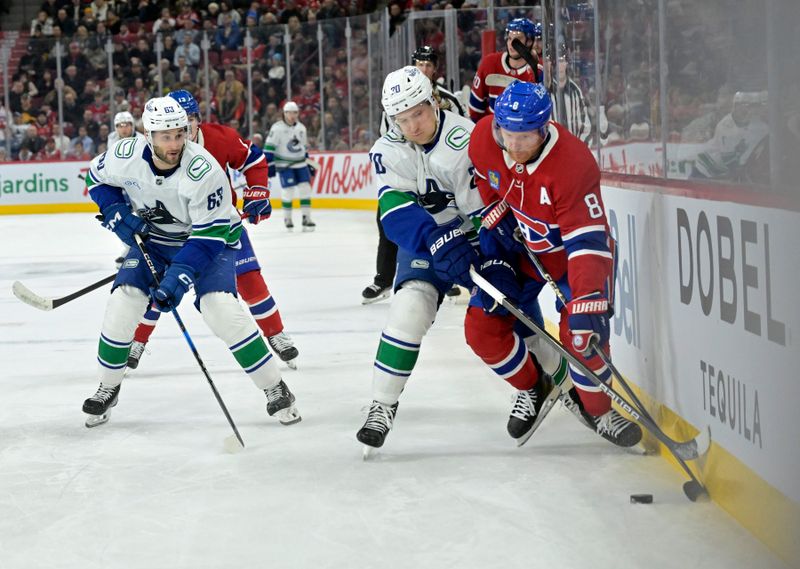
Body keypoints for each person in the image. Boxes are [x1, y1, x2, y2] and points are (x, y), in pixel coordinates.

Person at [82, 96, 301, 428]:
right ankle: (108, 387)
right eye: (166, 136)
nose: (175, 144)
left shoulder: (203, 170)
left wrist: (178, 277)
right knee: (123, 302)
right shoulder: (124, 155)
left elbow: (207, 239)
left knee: (220, 310)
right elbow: (95, 180)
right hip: (154, 242)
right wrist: (115, 211)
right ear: (148, 134)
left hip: (211, 241)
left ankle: (275, 386)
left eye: (180, 134)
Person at [465, 81, 642, 447]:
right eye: (507, 134)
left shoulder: (573, 164)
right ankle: (535, 386)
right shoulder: (485, 136)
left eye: (525, 137)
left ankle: (600, 411)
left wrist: (587, 296)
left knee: (581, 336)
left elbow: (586, 240)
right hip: (521, 252)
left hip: (570, 261)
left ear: (544, 129)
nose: (513, 147)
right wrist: (494, 206)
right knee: (481, 327)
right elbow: (485, 177)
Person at [356, 66, 484, 452]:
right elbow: (394, 213)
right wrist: (438, 238)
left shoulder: (467, 136)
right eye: (402, 118)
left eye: (419, 113)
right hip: (426, 240)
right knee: (409, 307)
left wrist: (484, 250)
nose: (412, 125)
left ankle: (558, 382)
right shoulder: (387, 149)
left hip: (477, 237)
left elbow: (486, 206)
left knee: (510, 310)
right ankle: (382, 405)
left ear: (434, 102)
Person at [126, 90, 299, 371]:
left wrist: (257, 192)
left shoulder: (220, 138)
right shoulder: (153, 149)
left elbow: (253, 160)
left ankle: (275, 333)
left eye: (191, 120)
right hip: (171, 231)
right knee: (160, 287)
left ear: (197, 120)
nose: (186, 129)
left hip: (220, 225)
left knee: (250, 279)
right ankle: (137, 340)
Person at [362, 46, 467, 305]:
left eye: (429, 64)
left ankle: (447, 276)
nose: (424, 68)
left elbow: (462, 139)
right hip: (407, 175)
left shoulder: (449, 100)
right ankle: (384, 278)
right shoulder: (394, 103)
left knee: (452, 219)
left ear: (434, 69)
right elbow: (391, 137)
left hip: (444, 175)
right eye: (420, 63)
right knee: (390, 222)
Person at [468, 17, 541, 123]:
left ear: (529, 41)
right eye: (509, 38)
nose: (511, 44)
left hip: (524, 134)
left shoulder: (538, 71)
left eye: (517, 40)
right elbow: (475, 110)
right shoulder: (490, 63)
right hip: (492, 131)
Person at [264, 101, 316, 232]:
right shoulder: (277, 128)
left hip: (300, 164)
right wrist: (269, 164)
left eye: (295, 112)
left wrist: (308, 162)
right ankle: (287, 218)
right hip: (285, 165)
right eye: (289, 112)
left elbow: (303, 148)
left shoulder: (301, 128)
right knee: (288, 191)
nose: (292, 115)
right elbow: (269, 148)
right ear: (284, 113)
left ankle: (306, 217)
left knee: (305, 189)